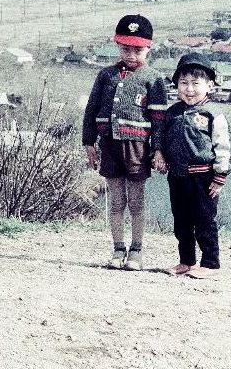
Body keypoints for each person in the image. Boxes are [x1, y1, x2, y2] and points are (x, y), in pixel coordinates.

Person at [82, 14, 168, 271]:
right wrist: (89, 142)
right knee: (116, 202)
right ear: (118, 46)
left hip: (137, 149)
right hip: (109, 146)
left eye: (137, 50)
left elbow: (159, 119)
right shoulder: (105, 75)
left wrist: (158, 150)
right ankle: (118, 249)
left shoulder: (153, 79)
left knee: (136, 202)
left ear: (148, 49)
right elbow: (91, 108)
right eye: (125, 48)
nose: (131, 54)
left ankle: (137, 251)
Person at [156, 53, 231, 279]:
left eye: (195, 84)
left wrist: (220, 176)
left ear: (209, 85)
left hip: (204, 179)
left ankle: (210, 264)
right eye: (183, 83)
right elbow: (160, 137)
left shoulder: (213, 114)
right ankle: (186, 261)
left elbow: (224, 147)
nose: (189, 89)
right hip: (177, 176)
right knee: (181, 221)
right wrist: (158, 155)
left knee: (204, 221)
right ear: (177, 85)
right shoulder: (172, 112)